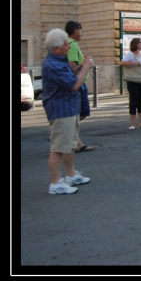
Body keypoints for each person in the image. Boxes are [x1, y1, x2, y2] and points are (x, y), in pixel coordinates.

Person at [42, 28, 94, 194]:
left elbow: (71, 79)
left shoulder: (60, 60)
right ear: (57, 48)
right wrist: (85, 68)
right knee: (58, 148)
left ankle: (70, 175)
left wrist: (79, 68)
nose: (69, 46)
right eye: (65, 44)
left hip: (69, 109)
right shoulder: (53, 65)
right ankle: (55, 183)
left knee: (70, 145)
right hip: (60, 110)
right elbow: (74, 85)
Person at [65, 21, 93, 152]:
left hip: (79, 82)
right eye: (81, 31)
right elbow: (72, 65)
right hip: (79, 82)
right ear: (76, 31)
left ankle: (77, 142)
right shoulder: (72, 45)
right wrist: (83, 66)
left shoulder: (70, 44)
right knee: (83, 112)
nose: (81, 34)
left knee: (79, 113)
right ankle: (61, 132)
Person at [120, 37, 141, 129]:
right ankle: (132, 123)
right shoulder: (130, 55)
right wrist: (134, 63)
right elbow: (121, 63)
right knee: (133, 101)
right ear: (136, 44)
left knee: (140, 101)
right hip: (132, 80)